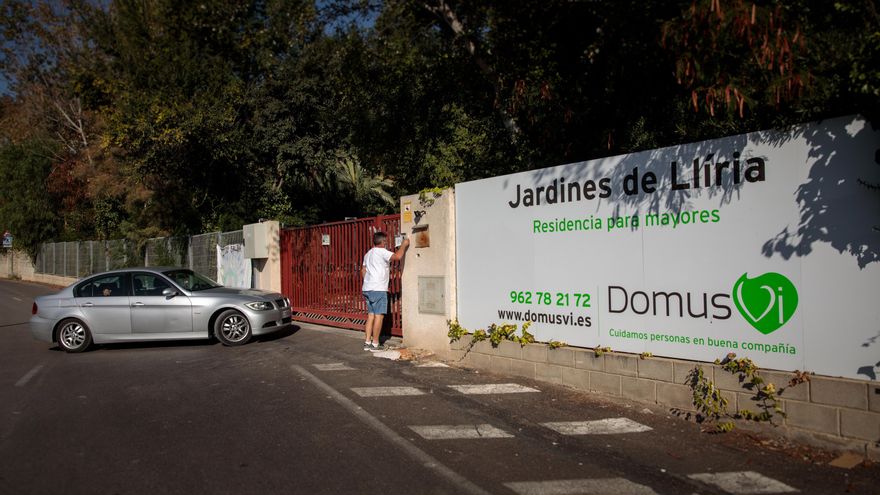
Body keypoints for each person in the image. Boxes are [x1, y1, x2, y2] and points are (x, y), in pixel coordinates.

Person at [361, 231, 409, 351]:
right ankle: (376, 344)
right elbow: (397, 257)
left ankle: (367, 342)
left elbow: (363, 270)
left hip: (367, 288)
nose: (386, 243)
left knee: (371, 315)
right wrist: (404, 244)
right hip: (378, 289)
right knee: (379, 316)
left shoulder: (368, 254)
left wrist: (369, 280)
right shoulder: (382, 252)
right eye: (386, 241)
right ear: (383, 242)